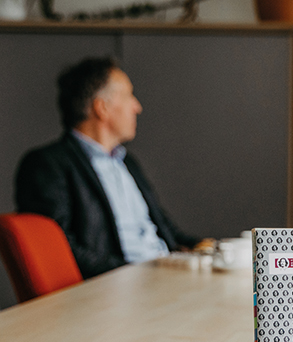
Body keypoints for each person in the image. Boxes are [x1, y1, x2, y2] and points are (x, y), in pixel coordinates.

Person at [15, 57, 201, 279]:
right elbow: (60, 251)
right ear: (102, 107)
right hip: (120, 287)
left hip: (165, 275)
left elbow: (166, 230)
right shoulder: (47, 165)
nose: (137, 107)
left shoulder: (127, 162)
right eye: (129, 96)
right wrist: (141, 273)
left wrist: (206, 247)